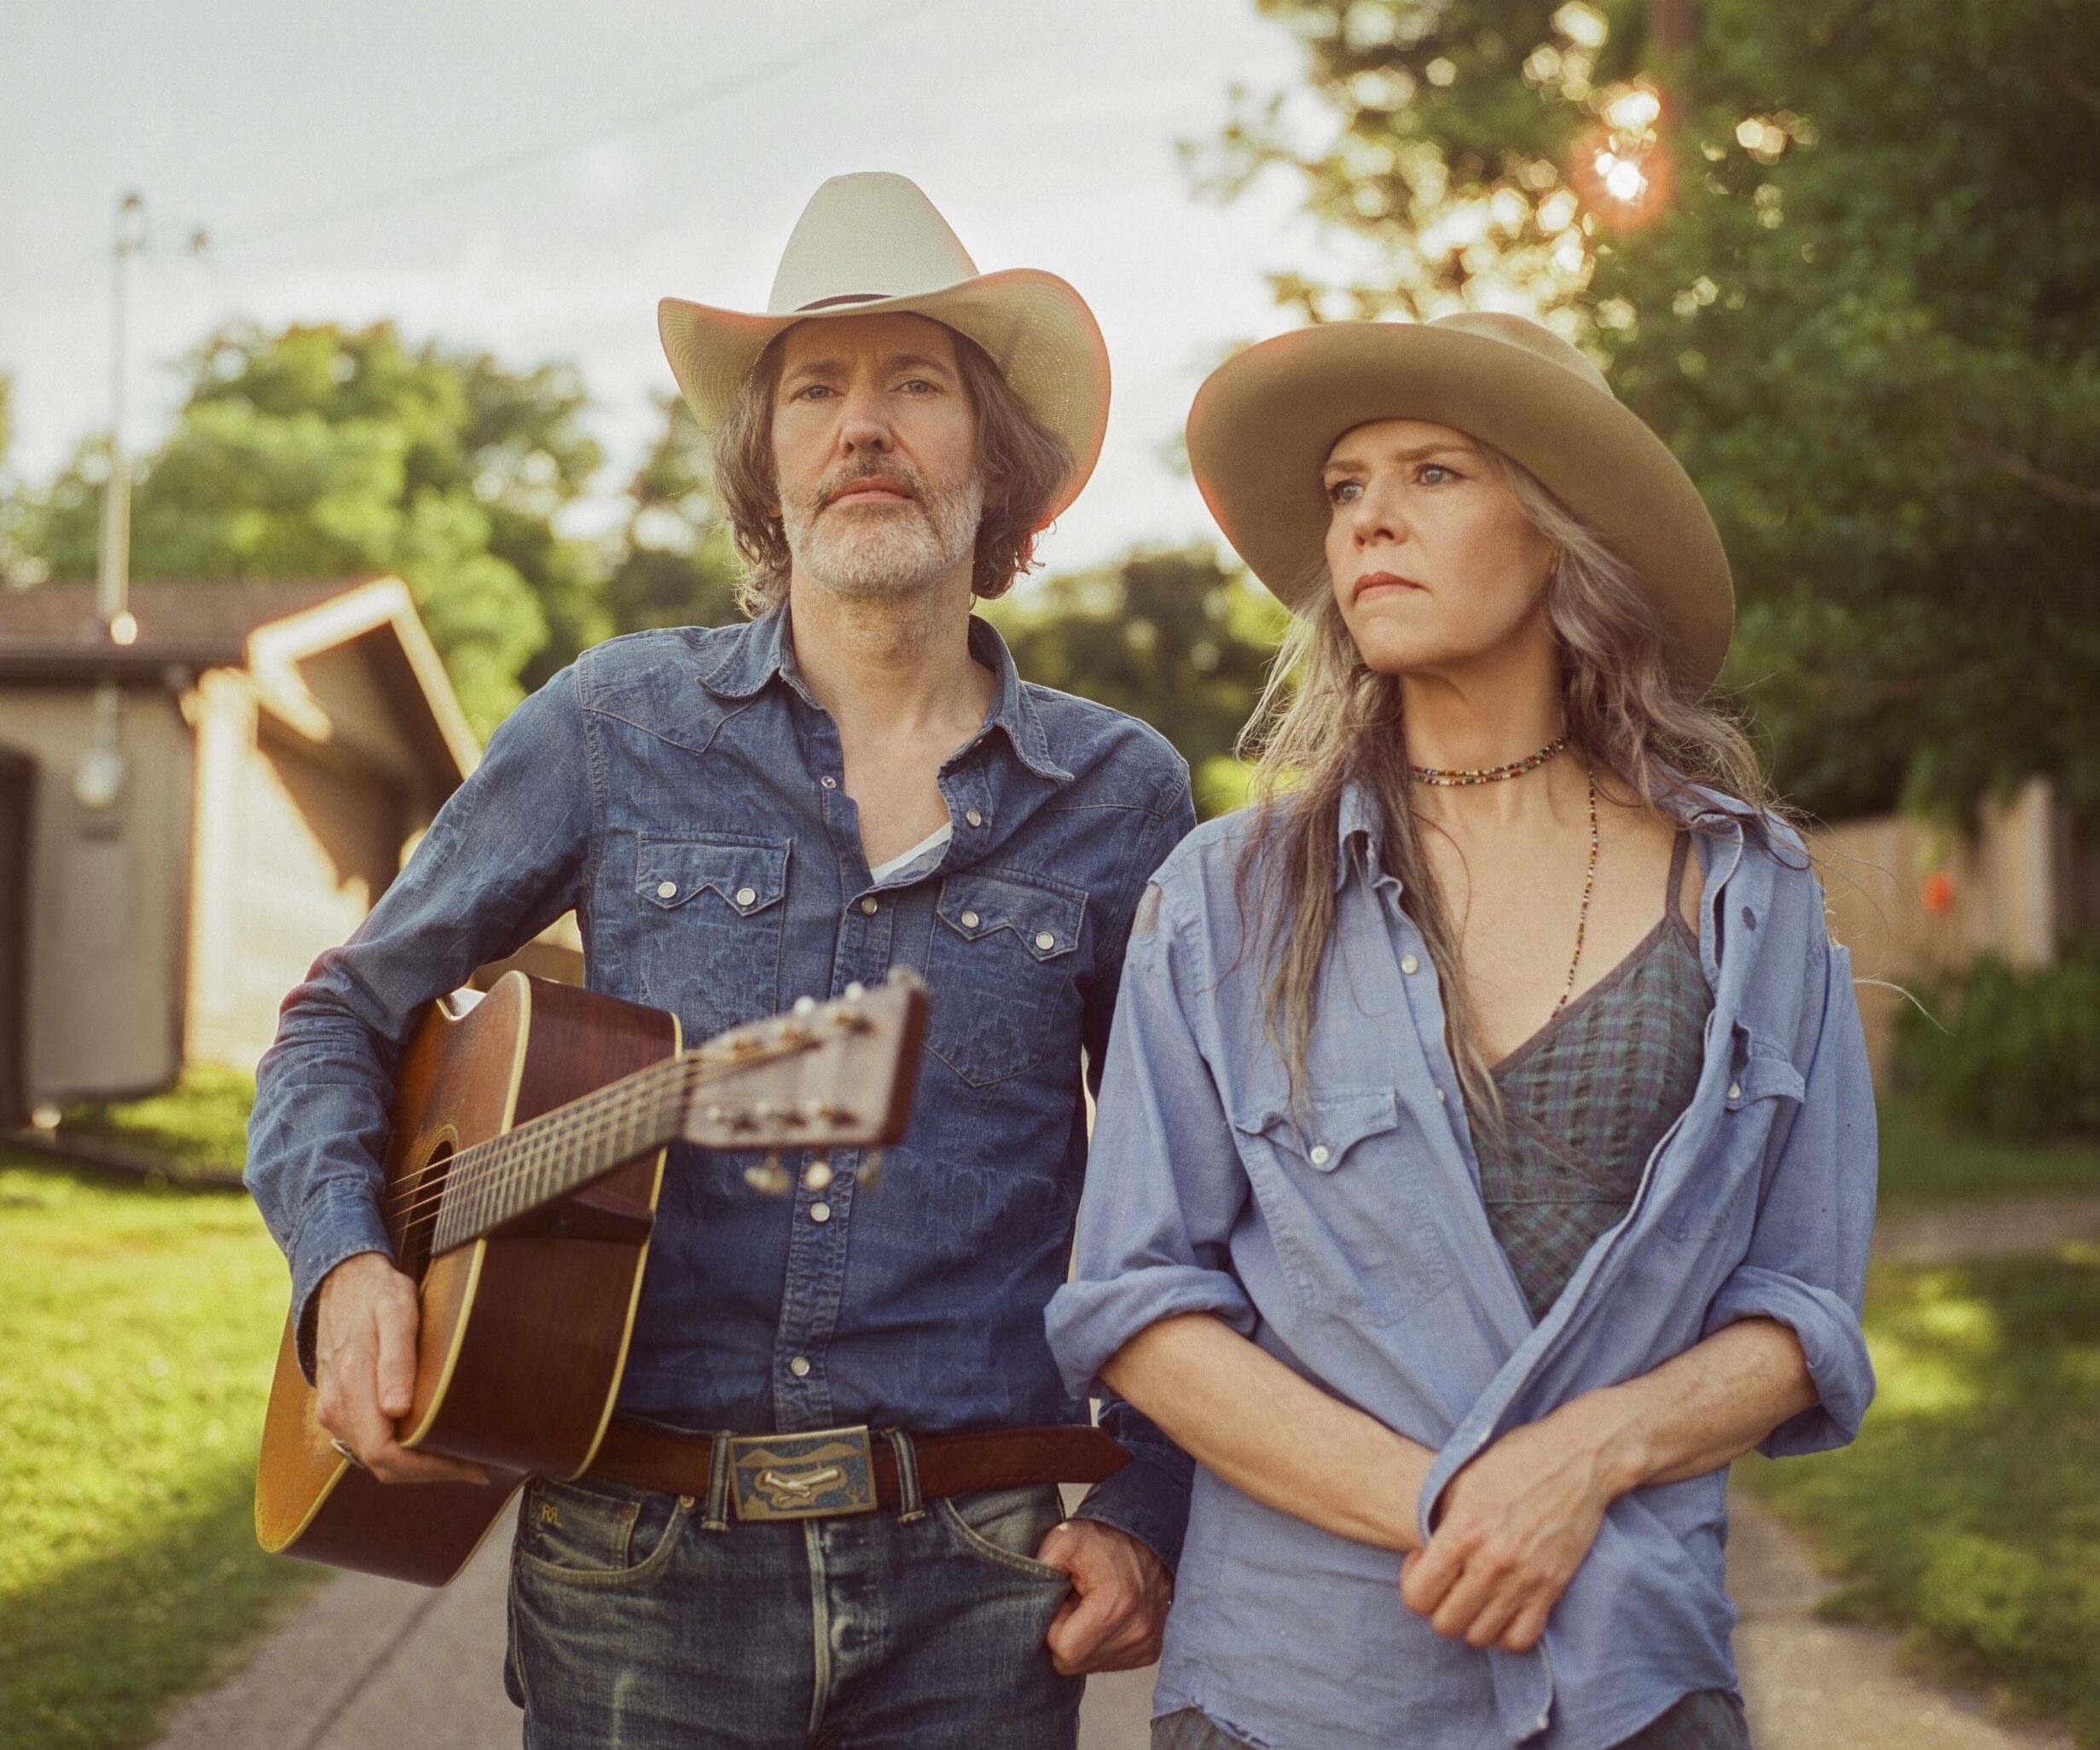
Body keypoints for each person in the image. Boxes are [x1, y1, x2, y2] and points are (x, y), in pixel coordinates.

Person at [247, 172, 1197, 1749]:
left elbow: (1183, 1185)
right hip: (632, 1572)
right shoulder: (615, 723)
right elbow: (344, 1013)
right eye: (813, 389)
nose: (861, 427)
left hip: (981, 1577)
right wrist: (348, 1266)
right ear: (764, 459)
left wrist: (1150, 1497)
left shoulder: (1118, 796)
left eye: (915, 384)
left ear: (995, 456)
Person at [1047, 312, 1877, 1750]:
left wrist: (1585, 1462)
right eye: (1346, 487)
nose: (1368, 520)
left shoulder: (1747, 892)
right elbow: (1137, 1305)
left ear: (1560, 533)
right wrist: (1455, 1511)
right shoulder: (1224, 897)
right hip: (1293, 1689)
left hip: (1632, 1677)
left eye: (1432, 474)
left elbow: (1801, 1313)